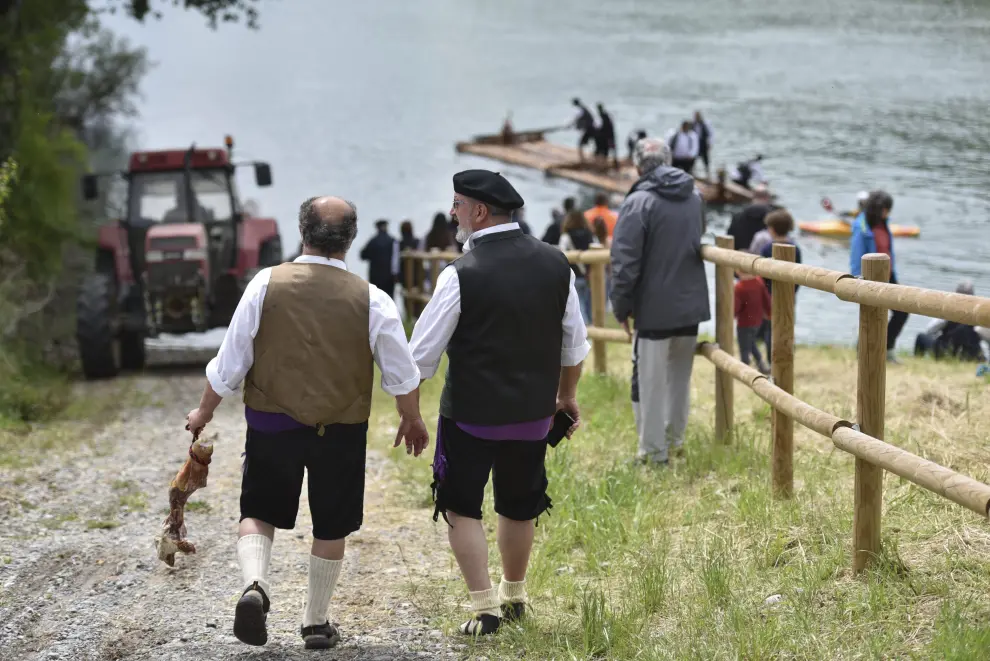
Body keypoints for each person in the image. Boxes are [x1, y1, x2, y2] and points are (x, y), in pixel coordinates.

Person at [183, 196, 429, 651]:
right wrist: (410, 417)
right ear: (350, 239)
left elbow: (231, 361)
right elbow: (401, 370)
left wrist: (203, 411)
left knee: (258, 512)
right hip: (340, 427)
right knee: (331, 523)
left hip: (273, 422)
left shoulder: (265, 284)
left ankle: (256, 586)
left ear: (303, 232)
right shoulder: (371, 297)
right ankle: (315, 623)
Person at [409, 169, 589, 636]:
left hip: (470, 417)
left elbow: (420, 358)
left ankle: (485, 608)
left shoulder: (460, 274)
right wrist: (565, 397)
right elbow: (575, 344)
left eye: (457, 204)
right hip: (532, 417)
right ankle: (515, 595)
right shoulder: (556, 263)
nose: (453, 212)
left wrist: (408, 411)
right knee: (519, 505)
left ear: (480, 212)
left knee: (461, 507)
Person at [610, 138, 710, 465]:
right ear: (669, 161)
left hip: (653, 308)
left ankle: (654, 455)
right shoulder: (695, 196)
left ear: (638, 166)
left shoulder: (638, 202)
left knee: (651, 383)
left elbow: (625, 262)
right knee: (679, 379)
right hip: (690, 303)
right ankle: (675, 441)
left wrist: (621, 306)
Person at [850, 190, 907, 363]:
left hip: (888, 274)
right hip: (869, 276)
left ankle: (885, 348)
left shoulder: (884, 223)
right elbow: (856, 254)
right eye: (887, 208)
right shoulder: (862, 227)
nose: (888, 212)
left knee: (902, 311)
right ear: (879, 208)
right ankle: (867, 350)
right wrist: (857, 278)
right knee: (873, 316)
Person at [757, 209, 803, 357]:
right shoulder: (795, 248)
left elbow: (761, 275)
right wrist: (793, 291)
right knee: (788, 325)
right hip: (790, 293)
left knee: (770, 328)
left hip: (769, 295)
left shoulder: (766, 248)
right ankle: (789, 355)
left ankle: (773, 360)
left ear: (772, 229)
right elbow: (799, 274)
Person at [914, 280, 987, 362]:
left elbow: (930, 330)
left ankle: (917, 360)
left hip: (945, 352)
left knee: (920, 337)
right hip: (968, 355)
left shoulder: (949, 311)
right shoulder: (977, 315)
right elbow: (984, 335)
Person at [558, 210, 601, 323]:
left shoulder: (566, 236)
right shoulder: (591, 235)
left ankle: (585, 331)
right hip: (591, 276)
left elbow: (561, 254)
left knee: (578, 304)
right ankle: (593, 329)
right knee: (591, 305)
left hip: (573, 275)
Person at [734, 270, 771, 375]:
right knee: (751, 343)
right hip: (757, 322)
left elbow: (735, 307)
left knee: (744, 347)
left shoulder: (739, 287)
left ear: (737, 271)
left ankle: (744, 370)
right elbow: (767, 300)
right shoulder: (759, 282)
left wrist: (731, 315)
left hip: (744, 323)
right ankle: (761, 366)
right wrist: (769, 313)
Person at [358, 219, 400, 299]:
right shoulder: (393, 241)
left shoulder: (372, 241)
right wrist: (396, 275)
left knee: (376, 299)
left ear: (377, 228)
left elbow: (362, 256)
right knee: (389, 299)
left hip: (375, 277)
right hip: (389, 277)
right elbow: (396, 260)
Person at [727, 185, 774, 253]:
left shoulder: (737, 216)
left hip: (739, 257)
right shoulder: (774, 217)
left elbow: (730, 237)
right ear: (767, 197)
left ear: (753, 196)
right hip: (765, 259)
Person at [693, 111, 714, 178]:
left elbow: (710, 134)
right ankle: (694, 172)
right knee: (694, 158)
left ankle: (707, 173)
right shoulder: (693, 124)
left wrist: (710, 143)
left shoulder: (705, 124)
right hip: (696, 143)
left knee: (705, 159)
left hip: (703, 143)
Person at [596, 103, 618, 168]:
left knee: (610, 150)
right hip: (609, 135)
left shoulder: (603, 115)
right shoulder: (605, 115)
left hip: (609, 136)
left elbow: (605, 126)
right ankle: (612, 164)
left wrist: (599, 131)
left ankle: (613, 165)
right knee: (611, 150)